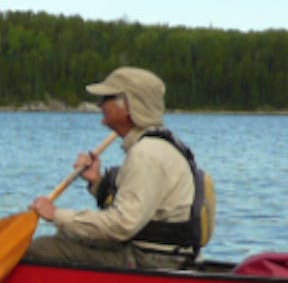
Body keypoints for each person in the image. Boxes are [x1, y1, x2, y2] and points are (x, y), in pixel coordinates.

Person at [27, 66, 208, 270]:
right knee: (68, 233)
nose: (99, 104)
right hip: (158, 253)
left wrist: (56, 215)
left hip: (151, 260)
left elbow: (122, 225)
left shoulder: (145, 154)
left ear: (128, 105)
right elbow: (136, 208)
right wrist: (96, 182)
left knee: (41, 248)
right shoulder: (158, 145)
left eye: (106, 98)